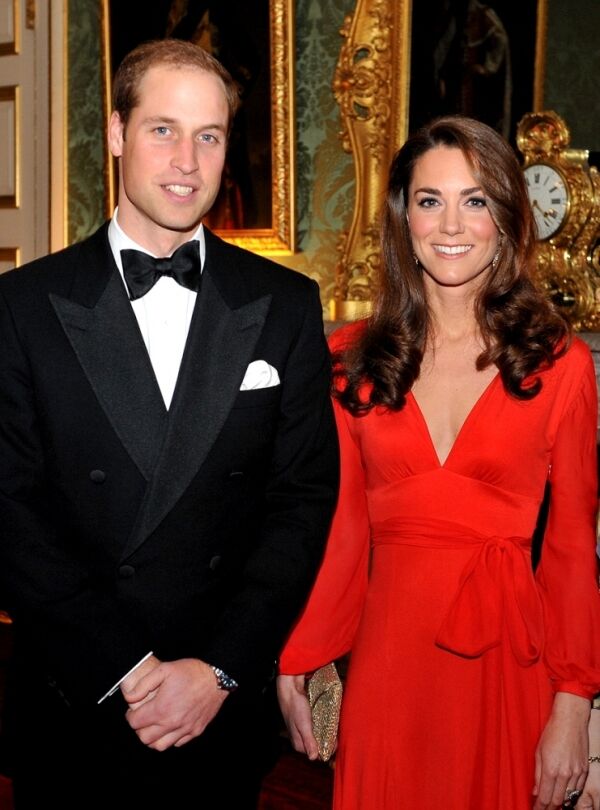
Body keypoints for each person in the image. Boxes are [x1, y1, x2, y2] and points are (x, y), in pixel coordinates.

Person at [0, 38, 339, 809]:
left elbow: (301, 500)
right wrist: (129, 669)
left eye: (209, 136)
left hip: (217, 712)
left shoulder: (285, 304)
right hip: (75, 703)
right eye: (163, 130)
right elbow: (11, 508)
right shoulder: (22, 307)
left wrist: (218, 669)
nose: (188, 161)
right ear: (117, 133)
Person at [277, 114, 600, 810]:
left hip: (508, 668)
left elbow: (572, 547)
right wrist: (302, 652)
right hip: (389, 668)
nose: (451, 224)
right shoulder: (351, 360)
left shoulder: (562, 364)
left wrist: (574, 703)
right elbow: (342, 530)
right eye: (430, 200)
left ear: (505, 218)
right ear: (405, 217)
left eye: (474, 200)